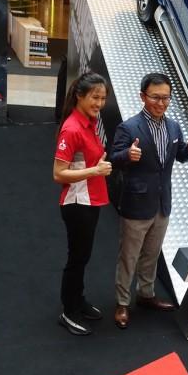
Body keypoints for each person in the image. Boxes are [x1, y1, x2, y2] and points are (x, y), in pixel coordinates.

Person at [109, 72, 188, 329]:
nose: (161, 103)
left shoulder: (174, 127)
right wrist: (127, 155)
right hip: (136, 204)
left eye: (166, 98)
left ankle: (146, 295)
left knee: (151, 254)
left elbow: (179, 155)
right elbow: (113, 159)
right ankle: (122, 302)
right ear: (143, 96)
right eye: (156, 97)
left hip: (162, 204)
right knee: (128, 256)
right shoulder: (129, 127)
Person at [53, 72, 112, 336]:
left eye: (102, 98)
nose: (99, 103)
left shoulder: (90, 121)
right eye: (94, 97)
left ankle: (78, 300)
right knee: (77, 259)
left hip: (91, 200)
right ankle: (68, 311)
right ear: (79, 96)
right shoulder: (72, 128)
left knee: (83, 256)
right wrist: (95, 171)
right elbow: (58, 174)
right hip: (77, 203)